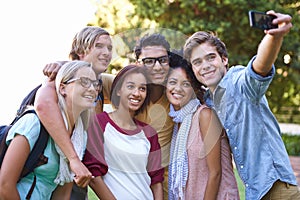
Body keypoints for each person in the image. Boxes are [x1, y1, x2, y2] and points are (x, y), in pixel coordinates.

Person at [183, 10, 300, 199]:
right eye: (197, 62)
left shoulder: (238, 82)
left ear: (224, 59)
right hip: (254, 193)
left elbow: (259, 68)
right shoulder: (208, 101)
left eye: (210, 57)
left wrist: (273, 37)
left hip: (278, 189)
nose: (204, 65)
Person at [0, 60, 98, 199]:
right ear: (62, 88)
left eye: (95, 84)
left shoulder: (79, 137)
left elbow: (62, 195)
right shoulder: (33, 123)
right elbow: (4, 186)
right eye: (84, 82)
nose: (93, 89)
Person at [34, 26, 114, 197]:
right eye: (99, 46)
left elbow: (132, 83)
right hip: (56, 170)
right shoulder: (64, 76)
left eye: (109, 48)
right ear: (80, 51)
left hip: (77, 177)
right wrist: (73, 159)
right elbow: (43, 104)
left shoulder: (101, 83)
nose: (106, 52)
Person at [84, 65, 164, 199]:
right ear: (118, 90)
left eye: (142, 88)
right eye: (130, 86)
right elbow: (94, 175)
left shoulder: (149, 133)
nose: (137, 93)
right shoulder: (99, 123)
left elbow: (156, 181)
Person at [166, 54, 239, 199]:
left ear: (194, 88)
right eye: (172, 82)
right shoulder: (177, 123)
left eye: (186, 84)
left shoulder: (205, 115)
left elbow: (215, 173)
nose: (178, 88)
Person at [134, 33, 175, 198]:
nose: (157, 67)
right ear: (138, 64)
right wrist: (61, 65)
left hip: (168, 187)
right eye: (149, 61)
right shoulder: (126, 90)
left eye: (162, 60)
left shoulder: (178, 93)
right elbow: (93, 76)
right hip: (132, 184)